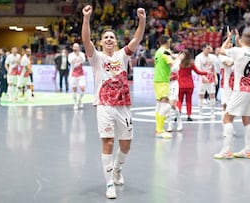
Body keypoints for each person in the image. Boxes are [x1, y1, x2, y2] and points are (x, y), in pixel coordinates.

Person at [82, 4, 146, 199]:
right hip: (104, 105)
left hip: (124, 106)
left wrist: (142, 21)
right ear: (101, 42)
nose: (109, 39)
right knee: (108, 143)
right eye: (105, 37)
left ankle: (117, 169)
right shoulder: (96, 57)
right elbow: (85, 39)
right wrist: (86, 19)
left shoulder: (122, 55)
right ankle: (109, 183)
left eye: (111, 37)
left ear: (115, 42)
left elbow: (137, 39)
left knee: (125, 146)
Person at [213, 30, 250, 159]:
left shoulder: (238, 51)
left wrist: (230, 39)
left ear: (242, 40)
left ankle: (227, 151)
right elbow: (242, 50)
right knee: (247, 120)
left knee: (227, 118)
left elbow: (220, 51)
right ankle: (247, 150)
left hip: (240, 89)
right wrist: (237, 40)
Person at [153, 35, 184, 139]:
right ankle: (160, 130)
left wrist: (174, 57)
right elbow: (174, 68)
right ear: (167, 42)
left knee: (159, 106)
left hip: (157, 80)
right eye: (169, 42)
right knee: (165, 106)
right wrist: (179, 59)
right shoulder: (165, 52)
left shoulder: (158, 52)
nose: (170, 44)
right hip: (163, 81)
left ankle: (158, 129)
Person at [177, 49, 208, 121]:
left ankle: (178, 113)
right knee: (189, 101)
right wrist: (206, 73)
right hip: (189, 85)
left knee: (179, 100)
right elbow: (198, 72)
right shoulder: (191, 64)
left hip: (180, 84)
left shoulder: (179, 63)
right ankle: (189, 115)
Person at [195, 43, 218, 118]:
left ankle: (212, 112)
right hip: (202, 78)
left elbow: (214, 68)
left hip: (210, 77)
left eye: (210, 48)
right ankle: (200, 112)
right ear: (203, 49)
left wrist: (215, 77)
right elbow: (198, 68)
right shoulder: (199, 57)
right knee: (201, 95)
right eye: (208, 48)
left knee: (212, 94)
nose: (209, 50)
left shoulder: (213, 57)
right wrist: (202, 76)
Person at [68, 43, 86, 110]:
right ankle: (75, 103)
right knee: (74, 89)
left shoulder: (82, 54)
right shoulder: (70, 55)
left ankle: (79, 100)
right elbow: (70, 61)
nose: (76, 48)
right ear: (73, 48)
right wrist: (75, 56)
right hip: (73, 74)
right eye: (74, 47)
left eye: (77, 47)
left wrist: (79, 55)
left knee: (82, 88)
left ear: (79, 48)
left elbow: (83, 60)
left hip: (81, 74)